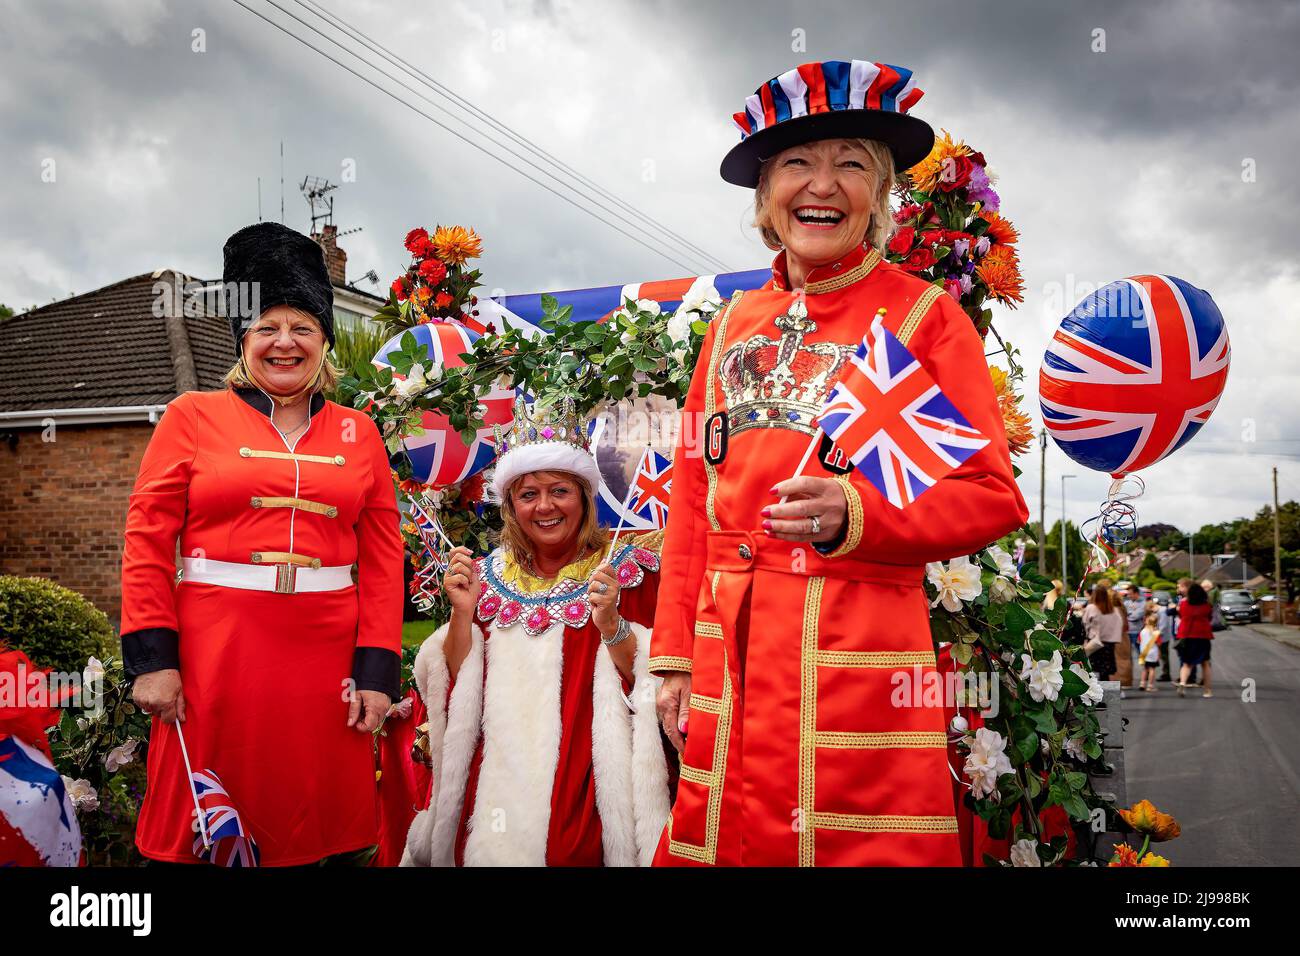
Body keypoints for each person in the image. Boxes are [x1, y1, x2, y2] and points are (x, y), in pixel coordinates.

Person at [650, 59, 1028, 867]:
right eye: (796, 163)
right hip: (731, 652)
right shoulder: (727, 327)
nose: (821, 183)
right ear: (764, 196)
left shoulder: (926, 317)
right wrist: (674, 659)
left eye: (851, 162)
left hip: (857, 655)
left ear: (882, 195)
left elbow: (991, 495)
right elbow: (692, 500)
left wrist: (857, 517)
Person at [122, 222, 404, 865]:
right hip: (214, 655)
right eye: (267, 327)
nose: (285, 343)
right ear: (241, 339)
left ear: (324, 341)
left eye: (302, 327)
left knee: (308, 830)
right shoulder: (191, 415)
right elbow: (145, 538)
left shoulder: (360, 432)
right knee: (205, 828)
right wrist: (152, 657)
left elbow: (386, 559)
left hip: (326, 662)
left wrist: (377, 670)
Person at [401, 399, 671, 866]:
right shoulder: (484, 576)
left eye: (560, 490)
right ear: (510, 506)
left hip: (589, 777)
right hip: (496, 782)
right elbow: (454, 683)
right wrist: (462, 614)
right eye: (528, 495)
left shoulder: (632, 572)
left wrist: (612, 626)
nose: (545, 506)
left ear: (585, 496)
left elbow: (661, 681)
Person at [1177, 581, 1215, 698]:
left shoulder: (1184, 604)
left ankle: (1183, 682)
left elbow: (1181, 616)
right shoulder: (1207, 606)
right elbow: (1209, 618)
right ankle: (1207, 691)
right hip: (1203, 636)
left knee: (1187, 664)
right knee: (1205, 664)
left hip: (1187, 636)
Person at [1082, 581, 1125, 682]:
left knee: (1092, 670)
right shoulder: (1114, 610)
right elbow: (1119, 625)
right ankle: (1107, 692)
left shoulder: (1091, 608)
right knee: (1105, 672)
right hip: (1109, 644)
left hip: (1095, 643)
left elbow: (1085, 623)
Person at [1137, 611, 1161, 692]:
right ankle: (1150, 685)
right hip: (1153, 653)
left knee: (1144, 669)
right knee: (1152, 669)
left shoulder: (1142, 631)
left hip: (1143, 652)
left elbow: (1139, 641)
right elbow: (1159, 644)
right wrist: (1159, 654)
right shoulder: (1156, 633)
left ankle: (1142, 683)